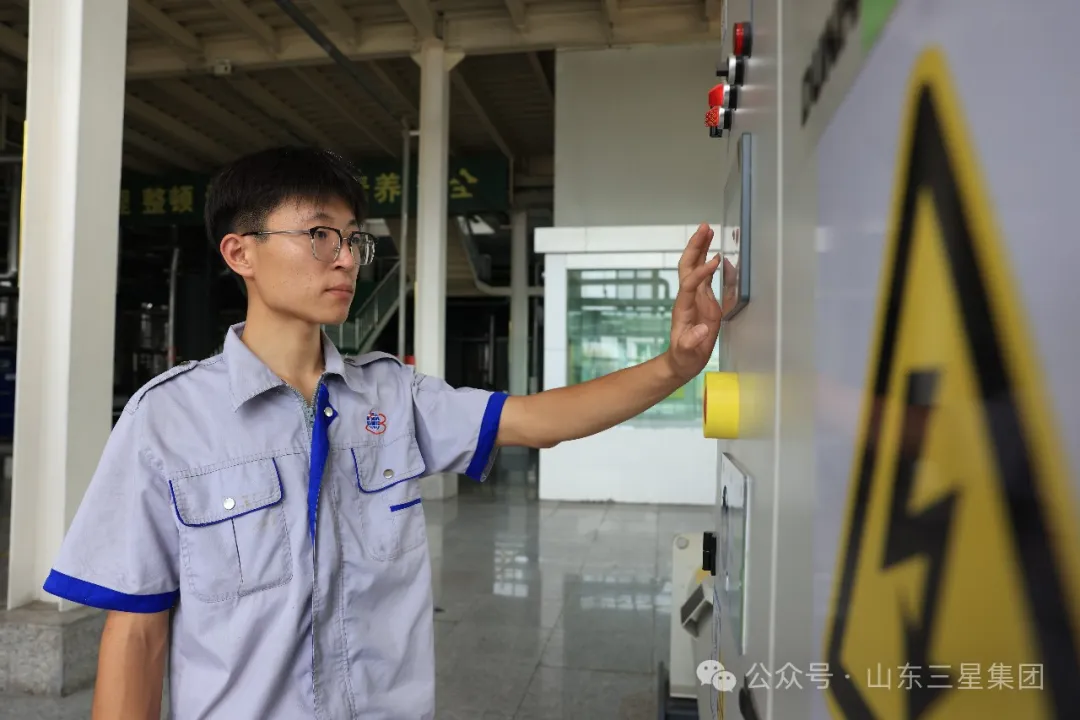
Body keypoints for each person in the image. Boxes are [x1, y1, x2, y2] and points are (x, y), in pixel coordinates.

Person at [42, 147, 728, 720]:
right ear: (240, 252)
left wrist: (675, 365)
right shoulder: (168, 419)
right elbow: (136, 632)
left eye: (353, 239)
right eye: (319, 235)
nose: (346, 259)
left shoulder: (392, 396)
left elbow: (536, 421)